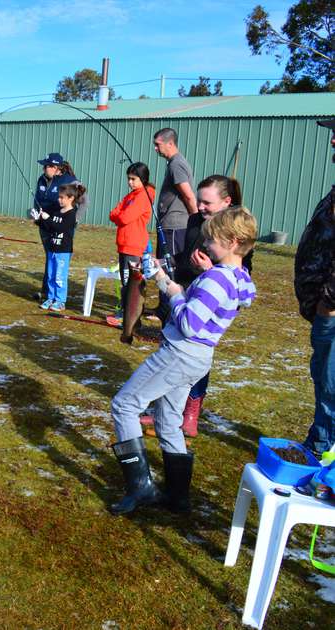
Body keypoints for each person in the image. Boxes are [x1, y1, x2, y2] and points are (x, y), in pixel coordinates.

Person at [109, 207, 257, 515]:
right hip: (198, 358)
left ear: (231, 242)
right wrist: (164, 277)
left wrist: (174, 291)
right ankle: (178, 496)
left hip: (180, 353)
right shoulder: (238, 277)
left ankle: (141, 487)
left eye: (211, 240)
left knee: (124, 405)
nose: (205, 245)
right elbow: (213, 301)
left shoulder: (217, 279)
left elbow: (190, 323)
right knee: (167, 421)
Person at [140, 175, 248, 437]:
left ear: (226, 202)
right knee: (171, 351)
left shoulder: (236, 232)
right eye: (198, 201)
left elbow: (242, 273)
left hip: (210, 298)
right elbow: (183, 256)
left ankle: (191, 412)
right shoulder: (194, 221)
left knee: (194, 356)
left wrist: (212, 271)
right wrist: (163, 264)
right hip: (183, 291)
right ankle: (165, 411)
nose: (199, 207)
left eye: (206, 203)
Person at [297, 118, 335, 456]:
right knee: (324, 379)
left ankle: (325, 453)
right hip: (323, 310)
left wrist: (328, 303)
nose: (333, 141)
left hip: (331, 310)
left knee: (331, 383)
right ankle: (319, 444)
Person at [152, 128, 198, 319]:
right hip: (169, 224)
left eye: (157, 144)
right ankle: (163, 305)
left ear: (169, 143)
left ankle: (169, 308)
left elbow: (188, 195)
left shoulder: (176, 165)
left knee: (169, 266)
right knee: (165, 264)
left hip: (175, 225)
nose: (155, 149)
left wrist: (196, 220)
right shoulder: (174, 163)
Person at [107, 162, 155, 327]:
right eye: (128, 179)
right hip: (123, 244)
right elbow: (113, 213)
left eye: (133, 179)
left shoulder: (143, 196)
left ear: (142, 179)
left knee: (131, 285)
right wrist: (119, 215)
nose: (130, 182)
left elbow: (124, 217)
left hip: (134, 245)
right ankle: (126, 314)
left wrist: (119, 215)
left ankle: (131, 318)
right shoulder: (131, 196)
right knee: (125, 283)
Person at [33, 182, 85, 311]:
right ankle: (50, 298)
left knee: (59, 276)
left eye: (62, 197)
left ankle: (60, 301)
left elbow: (60, 228)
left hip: (63, 251)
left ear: (71, 198)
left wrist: (48, 218)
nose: (59, 200)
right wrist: (39, 220)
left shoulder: (71, 214)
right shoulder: (57, 211)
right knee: (50, 275)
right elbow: (50, 228)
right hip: (52, 249)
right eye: (59, 197)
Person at [33, 152, 77, 299]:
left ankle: (59, 296)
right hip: (44, 223)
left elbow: (83, 201)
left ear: (55, 167)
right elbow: (38, 198)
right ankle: (48, 292)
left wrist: (73, 219)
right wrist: (36, 215)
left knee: (59, 260)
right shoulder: (42, 179)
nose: (44, 169)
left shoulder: (70, 181)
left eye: (46, 166)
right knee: (50, 256)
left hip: (60, 225)